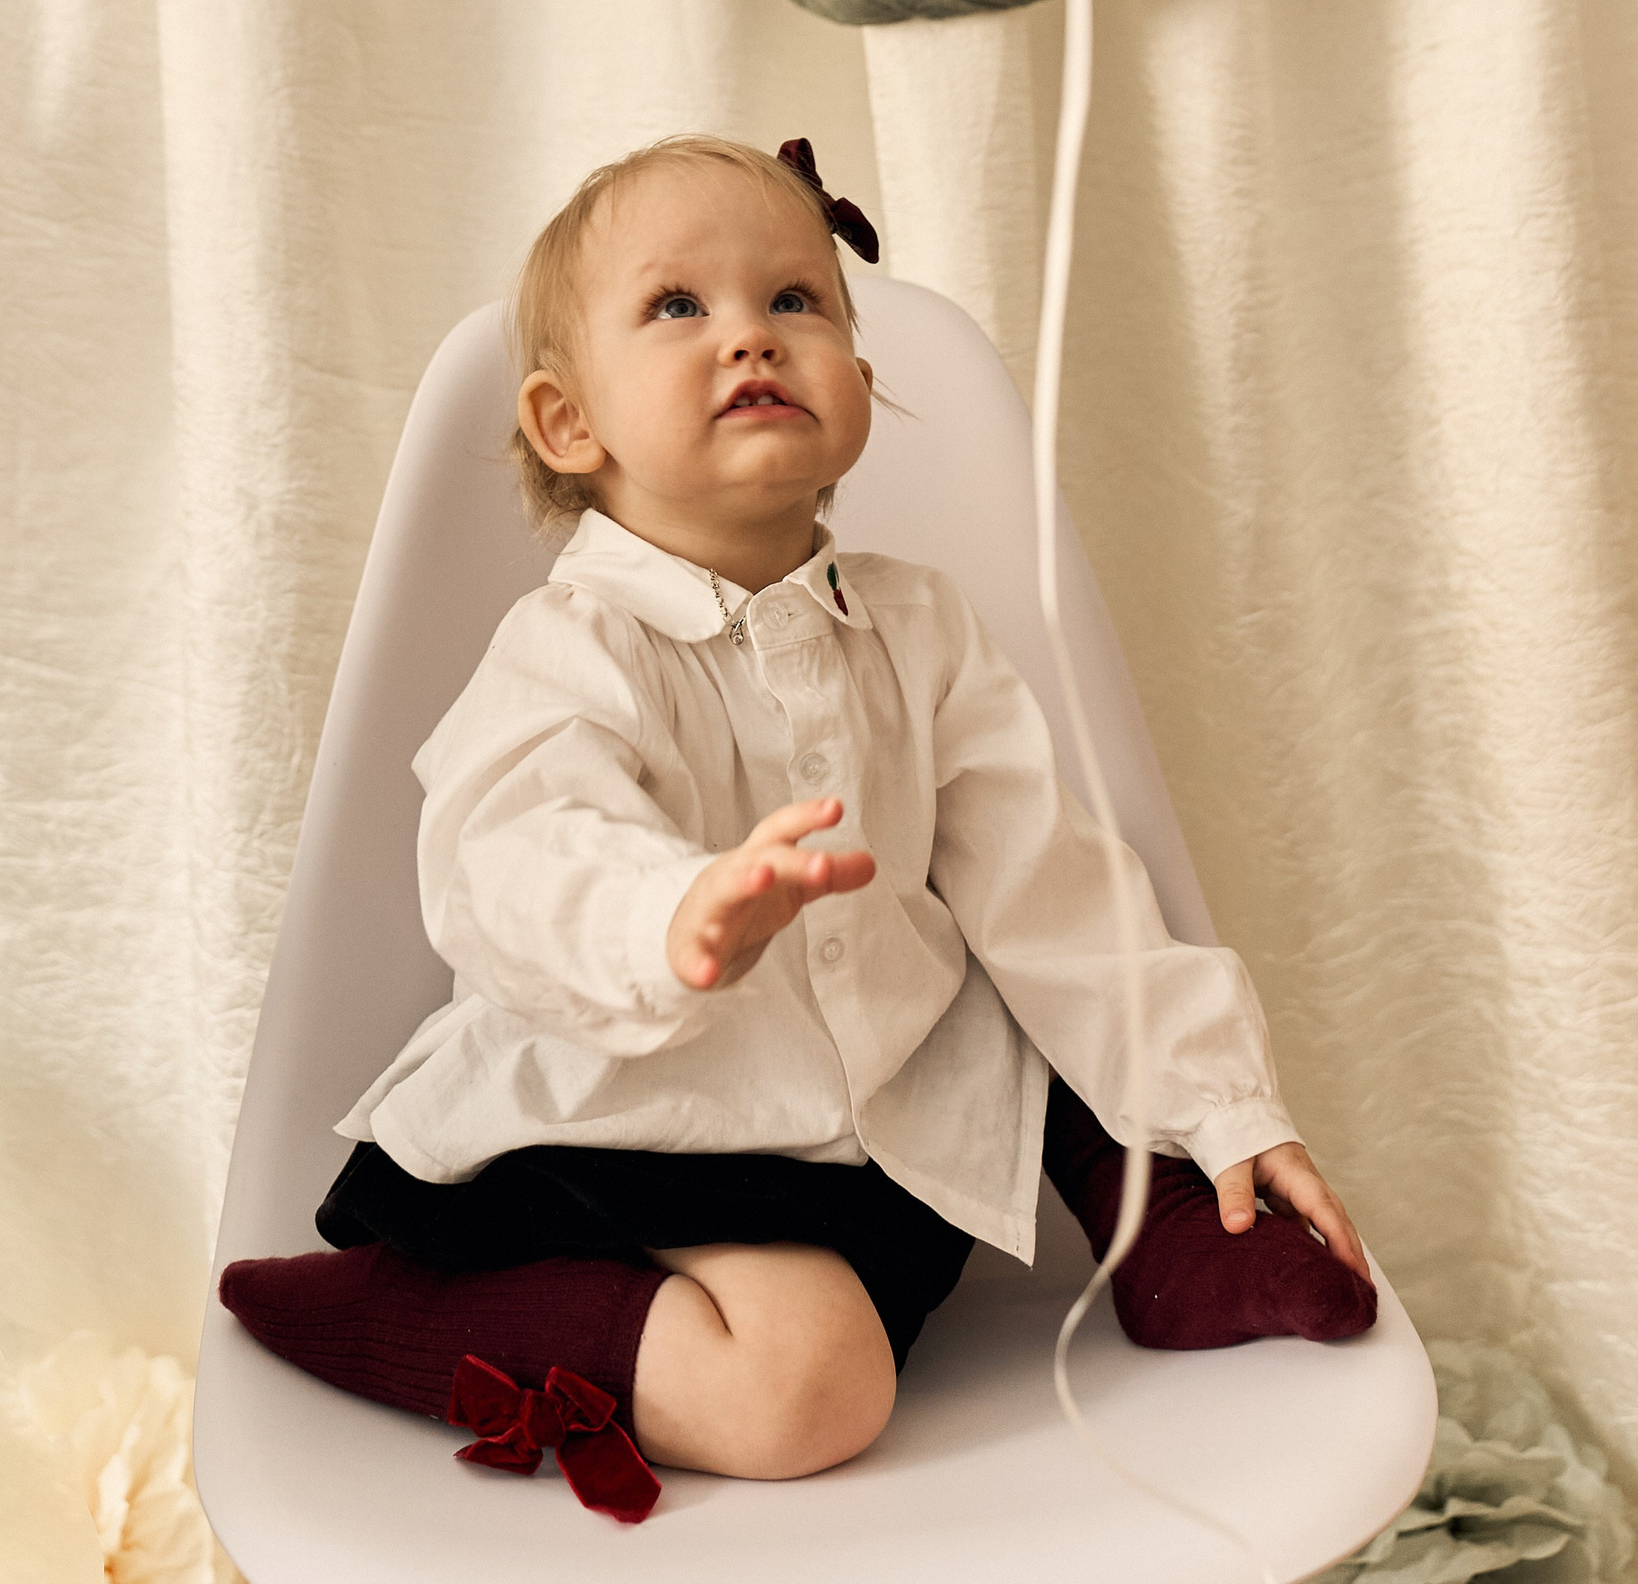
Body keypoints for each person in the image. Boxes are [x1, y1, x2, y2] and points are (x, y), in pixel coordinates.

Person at [222, 135, 1374, 1521]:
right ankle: (396, 1313)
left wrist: (1222, 1102)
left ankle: (1173, 1207)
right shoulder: (574, 647)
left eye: (796, 300)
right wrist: (669, 913)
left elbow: (1054, 890)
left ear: (860, 388)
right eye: (678, 305)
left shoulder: (921, 626)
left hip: (856, 1133)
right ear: (569, 423)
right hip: (635, 1128)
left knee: (1010, 960)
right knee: (811, 1393)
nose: (751, 336)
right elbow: (511, 852)